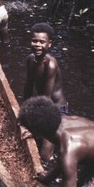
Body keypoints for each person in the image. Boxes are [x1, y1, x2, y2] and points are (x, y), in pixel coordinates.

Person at [22, 22, 68, 161]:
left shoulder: (51, 65)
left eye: (42, 42)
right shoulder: (30, 59)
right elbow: (28, 87)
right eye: (34, 41)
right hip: (43, 104)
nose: (37, 45)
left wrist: (33, 127)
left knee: (45, 156)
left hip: (56, 109)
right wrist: (23, 113)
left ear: (49, 44)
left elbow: (47, 100)